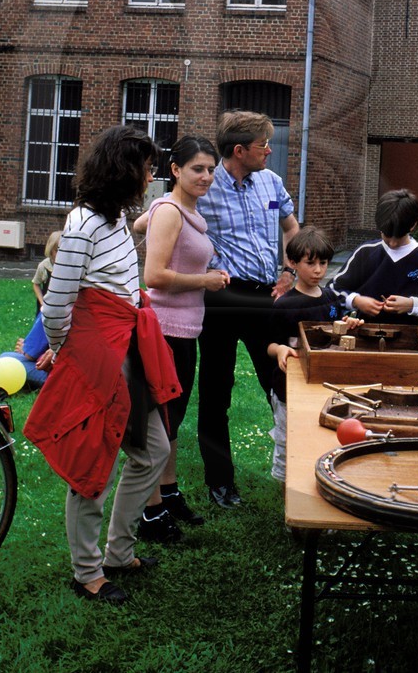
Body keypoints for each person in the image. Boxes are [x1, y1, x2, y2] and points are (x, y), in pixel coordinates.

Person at [24, 125, 176, 604]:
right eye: (147, 169)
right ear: (123, 171)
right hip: (97, 357)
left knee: (151, 452)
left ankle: (118, 552)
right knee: (95, 465)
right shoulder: (84, 222)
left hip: (126, 349)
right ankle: (87, 572)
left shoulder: (114, 220)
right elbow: (56, 303)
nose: (150, 177)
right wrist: (68, 352)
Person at [196, 110, 299, 511]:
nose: (270, 151)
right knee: (216, 392)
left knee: (281, 382)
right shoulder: (204, 185)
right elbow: (167, 218)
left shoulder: (271, 183)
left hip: (264, 298)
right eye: (263, 146)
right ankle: (220, 484)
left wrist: (288, 272)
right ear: (239, 151)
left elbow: (291, 228)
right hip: (220, 299)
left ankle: (295, 469)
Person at [136, 135, 228, 538]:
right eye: (197, 169)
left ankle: (168, 493)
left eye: (211, 169)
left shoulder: (180, 211)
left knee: (172, 420)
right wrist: (205, 280)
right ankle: (150, 511)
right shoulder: (172, 212)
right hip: (164, 330)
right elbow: (153, 277)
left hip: (185, 330)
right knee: (160, 422)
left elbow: (141, 221)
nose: (206, 176)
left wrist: (153, 210)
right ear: (175, 170)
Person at [266, 225, 342, 480]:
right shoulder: (285, 305)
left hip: (324, 385)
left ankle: (317, 482)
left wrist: (348, 326)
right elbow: (269, 344)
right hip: (289, 386)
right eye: (310, 263)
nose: (319, 269)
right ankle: (286, 488)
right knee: (288, 439)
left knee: (320, 437)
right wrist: (281, 350)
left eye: (323, 262)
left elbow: (337, 336)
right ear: (293, 263)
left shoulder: (332, 299)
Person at [333, 189, 418, 323]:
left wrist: (412, 304)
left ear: (413, 225)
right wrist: (356, 300)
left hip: (411, 339)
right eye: (387, 235)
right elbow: (333, 290)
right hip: (365, 335)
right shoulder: (365, 252)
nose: (393, 243)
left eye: (399, 236)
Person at [0, 230, 63, 390]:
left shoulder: (52, 310)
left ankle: (51, 382)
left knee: (4, 359)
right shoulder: (73, 298)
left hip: (61, 375)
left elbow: (28, 355)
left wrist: (26, 349)